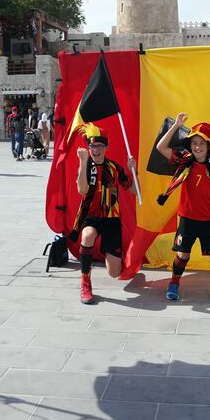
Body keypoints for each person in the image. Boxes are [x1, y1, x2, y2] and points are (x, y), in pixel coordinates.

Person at [155, 113, 210, 303]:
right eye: (194, 143)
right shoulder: (185, 161)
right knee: (183, 254)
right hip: (187, 218)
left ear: (208, 146)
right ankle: (174, 283)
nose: (197, 147)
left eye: (201, 144)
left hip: (209, 220)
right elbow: (161, 147)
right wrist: (176, 126)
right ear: (190, 145)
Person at [69, 124, 137, 304]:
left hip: (111, 219)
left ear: (106, 148)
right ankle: (85, 282)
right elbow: (82, 189)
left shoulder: (114, 168)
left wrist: (133, 170)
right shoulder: (85, 166)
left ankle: (116, 258)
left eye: (99, 146)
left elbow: (134, 190)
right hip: (90, 216)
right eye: (92, 146)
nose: (95, 150)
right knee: (87, 235)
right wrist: (82, 163)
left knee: (114, 273)